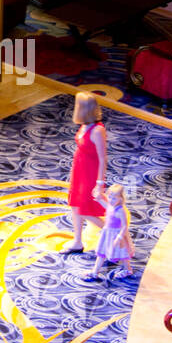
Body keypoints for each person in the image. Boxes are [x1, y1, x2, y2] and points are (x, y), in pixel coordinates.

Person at [64, 91, 107, 254]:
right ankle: (77, 242)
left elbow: (103, 158)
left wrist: (99, 184)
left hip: (90, 173)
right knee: (75, 205)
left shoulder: (97, 130)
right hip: (79, 170)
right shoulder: (84, 124)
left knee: (85, 209)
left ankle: (115, 231)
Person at [83, 183, 135, 284]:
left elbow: (124, 226)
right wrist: (99, 200)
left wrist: (119, 238)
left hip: (116, 235)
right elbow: (107, 206)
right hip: (107, 233)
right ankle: (95, 271)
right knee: (102, 252)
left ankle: (128, 269)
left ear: (121, 198)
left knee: (123, 253)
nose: (111, 200)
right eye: (110, 197)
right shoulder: (111, 205)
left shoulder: (121, 210)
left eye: (114, 198)